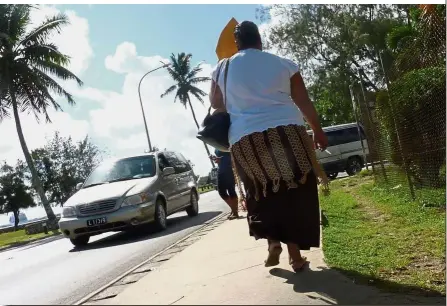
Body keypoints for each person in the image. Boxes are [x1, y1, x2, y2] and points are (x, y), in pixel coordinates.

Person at [209, 21, 329, 273]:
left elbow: (216, 102)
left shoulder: (223, 67)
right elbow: (303, 101)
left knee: (260, 191)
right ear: (260, 40)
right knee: (294, 192)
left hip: (245, 139)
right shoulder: (283, 63)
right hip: (288, 133)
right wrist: (317, 130)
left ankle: (273, 241)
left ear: (237, 43)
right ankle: (295, 257)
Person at [210, 149, 239, 220]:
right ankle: (233, 210)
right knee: (221, 192)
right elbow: (219, 157)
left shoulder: (225, 141)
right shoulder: (216, 145)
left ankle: (235, 212)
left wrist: (221, 159)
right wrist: (215, 158)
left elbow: (232, 155)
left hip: (228, 170)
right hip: (221, 170)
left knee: (231, 190)